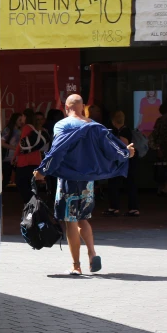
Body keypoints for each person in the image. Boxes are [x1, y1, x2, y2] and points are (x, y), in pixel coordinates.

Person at [34, 95, 134, 276]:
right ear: (82, 108)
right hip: (88, 181)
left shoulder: (62, 125)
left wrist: (43, 171)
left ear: (66, 107)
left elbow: (57, 152)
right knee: (83, 218)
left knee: (70, 221)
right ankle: (92, 253)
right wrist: (127, 153)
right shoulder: (95, 126)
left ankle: (76, 265)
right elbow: (113, 149)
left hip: (68, 180)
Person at [104, 111, 139, 217]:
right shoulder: (125, 130)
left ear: (113, 121)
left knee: (115, 183)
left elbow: (124, 145)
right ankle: (132, 208)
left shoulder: (122, 132)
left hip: (124, 161)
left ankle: (115, 207)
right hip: (129, 160)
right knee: (130, 184)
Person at [15, 109, 48, 204]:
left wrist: (15, 157)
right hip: (35, 160)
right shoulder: (36, 128)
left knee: (23, 185)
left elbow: (21, 145)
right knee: (32, 186)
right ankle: (34, 208)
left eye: (23, 116)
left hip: (25, 161)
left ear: (25, 117)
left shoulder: (26, 128)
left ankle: (32, 206)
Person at [1, 112, 24, 189]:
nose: (21, 122)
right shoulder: (8, 130)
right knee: (6, 178)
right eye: (19, 120)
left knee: (19, 177)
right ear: (15, 120)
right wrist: (15, 148)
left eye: (22, 120)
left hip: (18, 158)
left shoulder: (21, 130)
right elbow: (2, 143)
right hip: (8, 158)